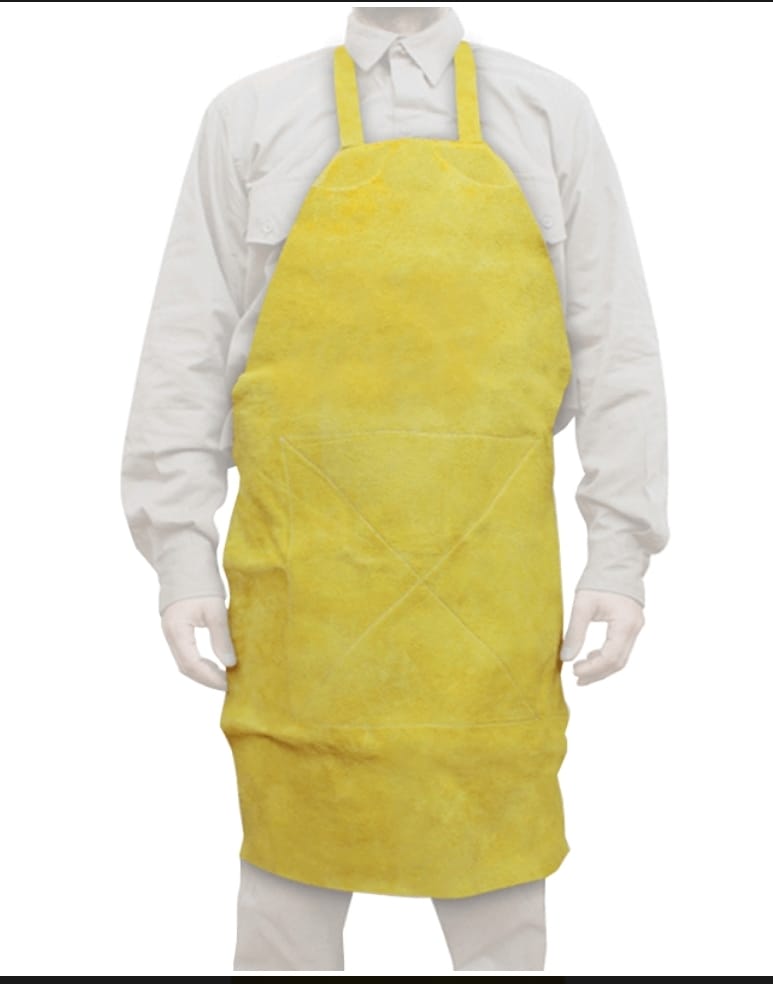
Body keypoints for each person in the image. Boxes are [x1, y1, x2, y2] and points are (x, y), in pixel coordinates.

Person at [121, 6, 669, 972]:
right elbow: (185, 350)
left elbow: (616, 347)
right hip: (303, 596)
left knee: (499, 910)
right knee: (286, 914)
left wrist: (618, 557)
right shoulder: (250, 116)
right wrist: (179, 554)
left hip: (490, 601)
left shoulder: (550, 113)